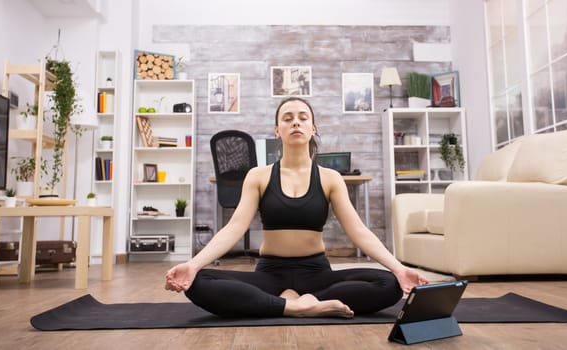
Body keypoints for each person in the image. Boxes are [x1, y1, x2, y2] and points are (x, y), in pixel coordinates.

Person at [165, 97, 428, 318]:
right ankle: (296, 307)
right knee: (197, 282)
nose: (295, 122)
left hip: (317, 274)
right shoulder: (258, 176)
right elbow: (234, 228)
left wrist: (398, 267)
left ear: (313, 128)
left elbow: (359, 231)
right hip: (270, 273)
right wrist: (193, 263)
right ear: (277, 130)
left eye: (303, 117)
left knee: (389, 284)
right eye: (287, 118)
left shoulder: (330, 178)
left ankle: (300, 300)